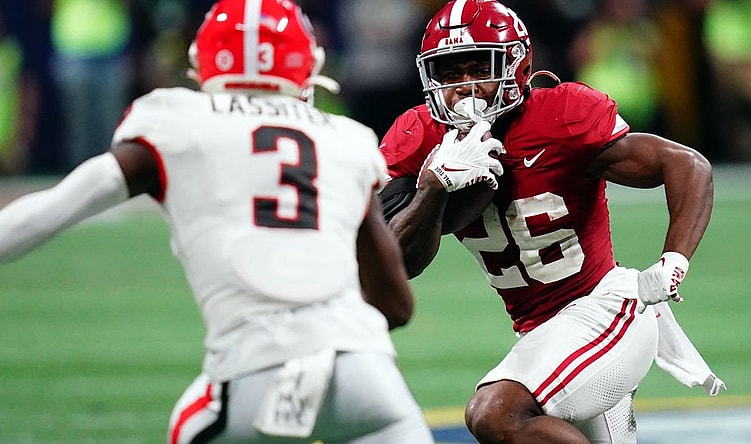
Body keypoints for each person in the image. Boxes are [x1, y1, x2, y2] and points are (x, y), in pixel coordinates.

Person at [0, 1, 435, 442]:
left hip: (255, 369)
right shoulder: (346, 139)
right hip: (368, 374)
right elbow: (395, 305)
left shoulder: (175, 121)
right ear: (308, 64)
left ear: (202, 63)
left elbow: (48, 211)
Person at [378, 1, 725, 443]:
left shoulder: (560, 116)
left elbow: (686, 164)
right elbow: (399, 262)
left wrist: (674, 261)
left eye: (479, 68)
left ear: (516, 65)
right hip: (545, 335)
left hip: (606, 310)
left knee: (495, 414)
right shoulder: (419, 137)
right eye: (450, 72)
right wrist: (434, 186)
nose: (466, 88)